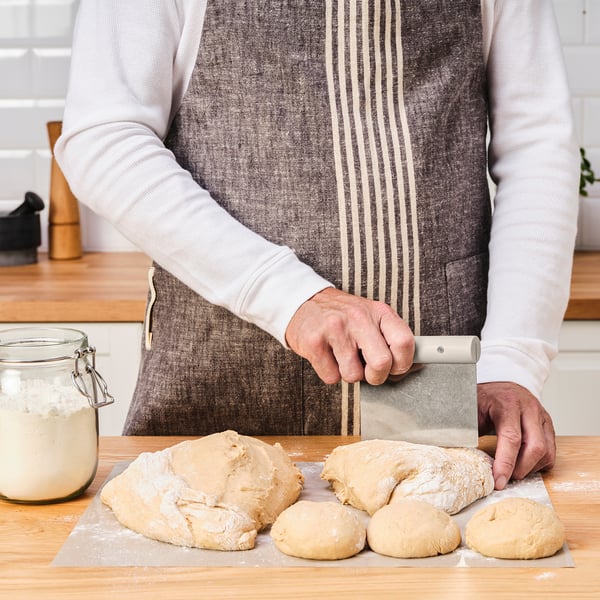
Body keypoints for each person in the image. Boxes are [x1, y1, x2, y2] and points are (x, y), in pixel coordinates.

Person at [55, 0, 579, 491]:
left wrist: (512, 359)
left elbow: (537, 147)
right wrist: (289, 297)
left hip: (443, 386)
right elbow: (105, 137)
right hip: (217, 372)